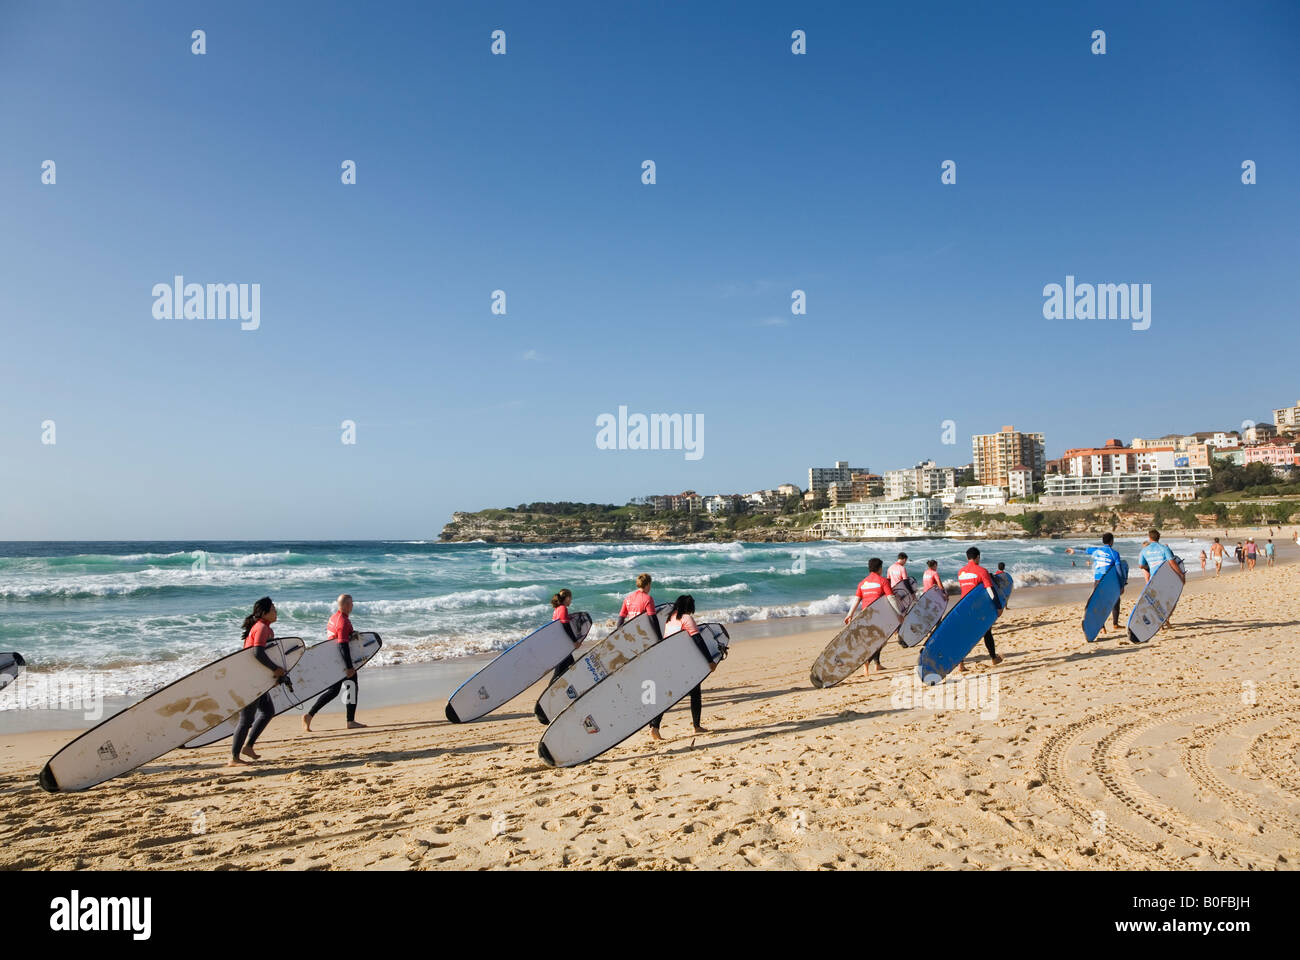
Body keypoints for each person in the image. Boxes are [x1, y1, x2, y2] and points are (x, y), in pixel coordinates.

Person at [230, 597, 287, 765]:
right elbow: (258, 654)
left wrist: (273, 676)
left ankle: (248, 747)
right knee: (246, 719)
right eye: (274, 610)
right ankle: (234, 757)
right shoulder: (261, 628)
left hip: (258, 679)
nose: (276, 612)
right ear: (264, 613)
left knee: (268, 711)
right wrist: (275, 669)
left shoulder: (265, 628)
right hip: (250, 681)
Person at [648, 595, 714, 739]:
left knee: (668, 694)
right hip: (682, 663)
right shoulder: (686, 618)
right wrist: (710, 660)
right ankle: (696, 727)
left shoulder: (670, 620)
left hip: (668, 661)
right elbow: (698, 639)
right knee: (695, 693)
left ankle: (655, 726)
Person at [303, 594, 366, 732]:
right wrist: (349, 667)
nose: (352, 606)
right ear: (343, 605)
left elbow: (336, 638)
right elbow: (342, 645)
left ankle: (309, 715)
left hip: (333, 660)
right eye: (350, 604)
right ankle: (350, 721)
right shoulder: (343, 621)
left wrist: (352, 634)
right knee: (352, 688)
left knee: (333, 691)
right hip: (341, 661)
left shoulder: (334, 618)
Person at [844, 558, 903, 677]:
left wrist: (850, 614)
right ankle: (867, 665)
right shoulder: (883, 581)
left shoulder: (862, 583)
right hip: (878, 615)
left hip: (865, 615)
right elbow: (891, 598)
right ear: (879, 568)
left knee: (872, 641)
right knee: (881, 641)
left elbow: (857, 600)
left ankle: (877, 664)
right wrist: (898, 613)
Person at [1065, 533, 1126, 633]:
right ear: (1112, 541)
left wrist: (1074, 551)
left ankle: (1102, 627)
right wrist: (1122, 584)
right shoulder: (1114, 553)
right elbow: (1119, 570)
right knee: (1116, 601)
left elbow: (1084, 551)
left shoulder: (1097, 550)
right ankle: (1115, 624)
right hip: (1109, 581)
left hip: (1098, 580)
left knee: (1099, 603)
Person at [956, 547, 1004, 671]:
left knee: (963, 636)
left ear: (967, 558)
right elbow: (990, 590)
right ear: (978, 557)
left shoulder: (960, 572)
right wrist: (998, 607)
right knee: (987, 631)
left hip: (963, 607)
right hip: (978, 608)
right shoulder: (982, 571)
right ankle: (994, 658)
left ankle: (961, 664)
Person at [1138, 529, 1185, 630]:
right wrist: (1181, 574)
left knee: (1157, 601)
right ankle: (1166, 619)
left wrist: (1150, 565)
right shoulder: (1164, 548)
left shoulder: (1144, 550)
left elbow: (1141, 565)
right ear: (1158, 537)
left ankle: (1161, 622)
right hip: (1165, 578)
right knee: (1171, 600)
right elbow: (1172, 562)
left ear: (1149, 538)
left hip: (1153, 579)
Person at [548, 589, 582, 681]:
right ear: (567, 598)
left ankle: (563, 688)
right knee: (561, 670)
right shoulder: (563, 608)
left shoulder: (557, 609)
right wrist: (575, 641)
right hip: (561, 645)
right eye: (571, 598)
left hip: (558, 643)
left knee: (570, 666)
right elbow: (565, 626)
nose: (571, 601)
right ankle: (550, 689)